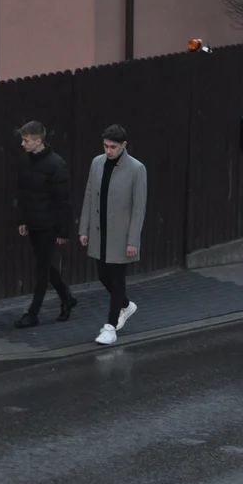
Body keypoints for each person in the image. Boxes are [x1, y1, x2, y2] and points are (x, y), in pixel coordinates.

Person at [78, 124, 148, 345]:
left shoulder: (137, 169)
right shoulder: (97, 163)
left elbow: (139, 207)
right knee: (102, 275)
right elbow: (89, 196)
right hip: (100, 231)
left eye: (113, 147)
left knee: (117, 280)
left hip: (121, 234)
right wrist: (84, 228)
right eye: (106, 146)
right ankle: (126, 305)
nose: (108, 151)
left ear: (123, 145)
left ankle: (110, 327)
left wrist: (133, 240)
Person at [14, 121, 76, 329]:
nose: (23, 144)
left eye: (26, 140)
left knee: (42, 270)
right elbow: (23, 193)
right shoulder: (27, 162)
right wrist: (22, 219)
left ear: (38, 141)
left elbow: (63, 201)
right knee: (46, 266)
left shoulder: (56, 164)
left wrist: (63, 231)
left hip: (48, 225)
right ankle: (67, 299)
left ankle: (33, 314)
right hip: (33, 223)